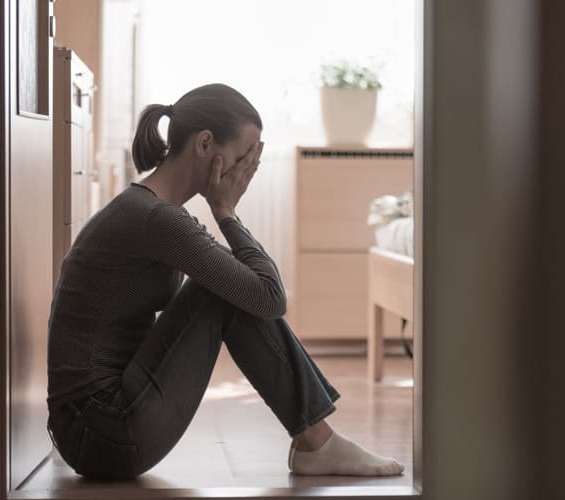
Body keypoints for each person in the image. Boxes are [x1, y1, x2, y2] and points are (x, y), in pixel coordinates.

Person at [45, 83, 404, 480]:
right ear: (204, 145)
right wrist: (226, 211)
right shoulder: (155, 219)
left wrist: (225, 212)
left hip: (94, 429)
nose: (243, 171)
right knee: (221, 292)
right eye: (241, 158)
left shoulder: (153, 211)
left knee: (229, 285)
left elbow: (258, 292)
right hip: (101, 432)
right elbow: (269, 297)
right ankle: (317, 442)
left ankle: (316, 440)